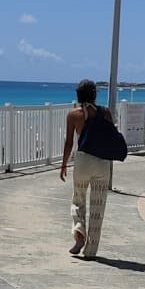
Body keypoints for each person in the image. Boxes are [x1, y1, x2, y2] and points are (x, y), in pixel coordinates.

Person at [60, 79, 113, 258]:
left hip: (83, 161)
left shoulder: (73, 115)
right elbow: (110, 137)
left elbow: (69, 143)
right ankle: (91, 251)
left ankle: (79, 232)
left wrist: (63, 164)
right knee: (98, 206)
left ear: (78, 95)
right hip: (102, 162)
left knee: (78, 199)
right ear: (95, 95)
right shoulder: (105, 113)